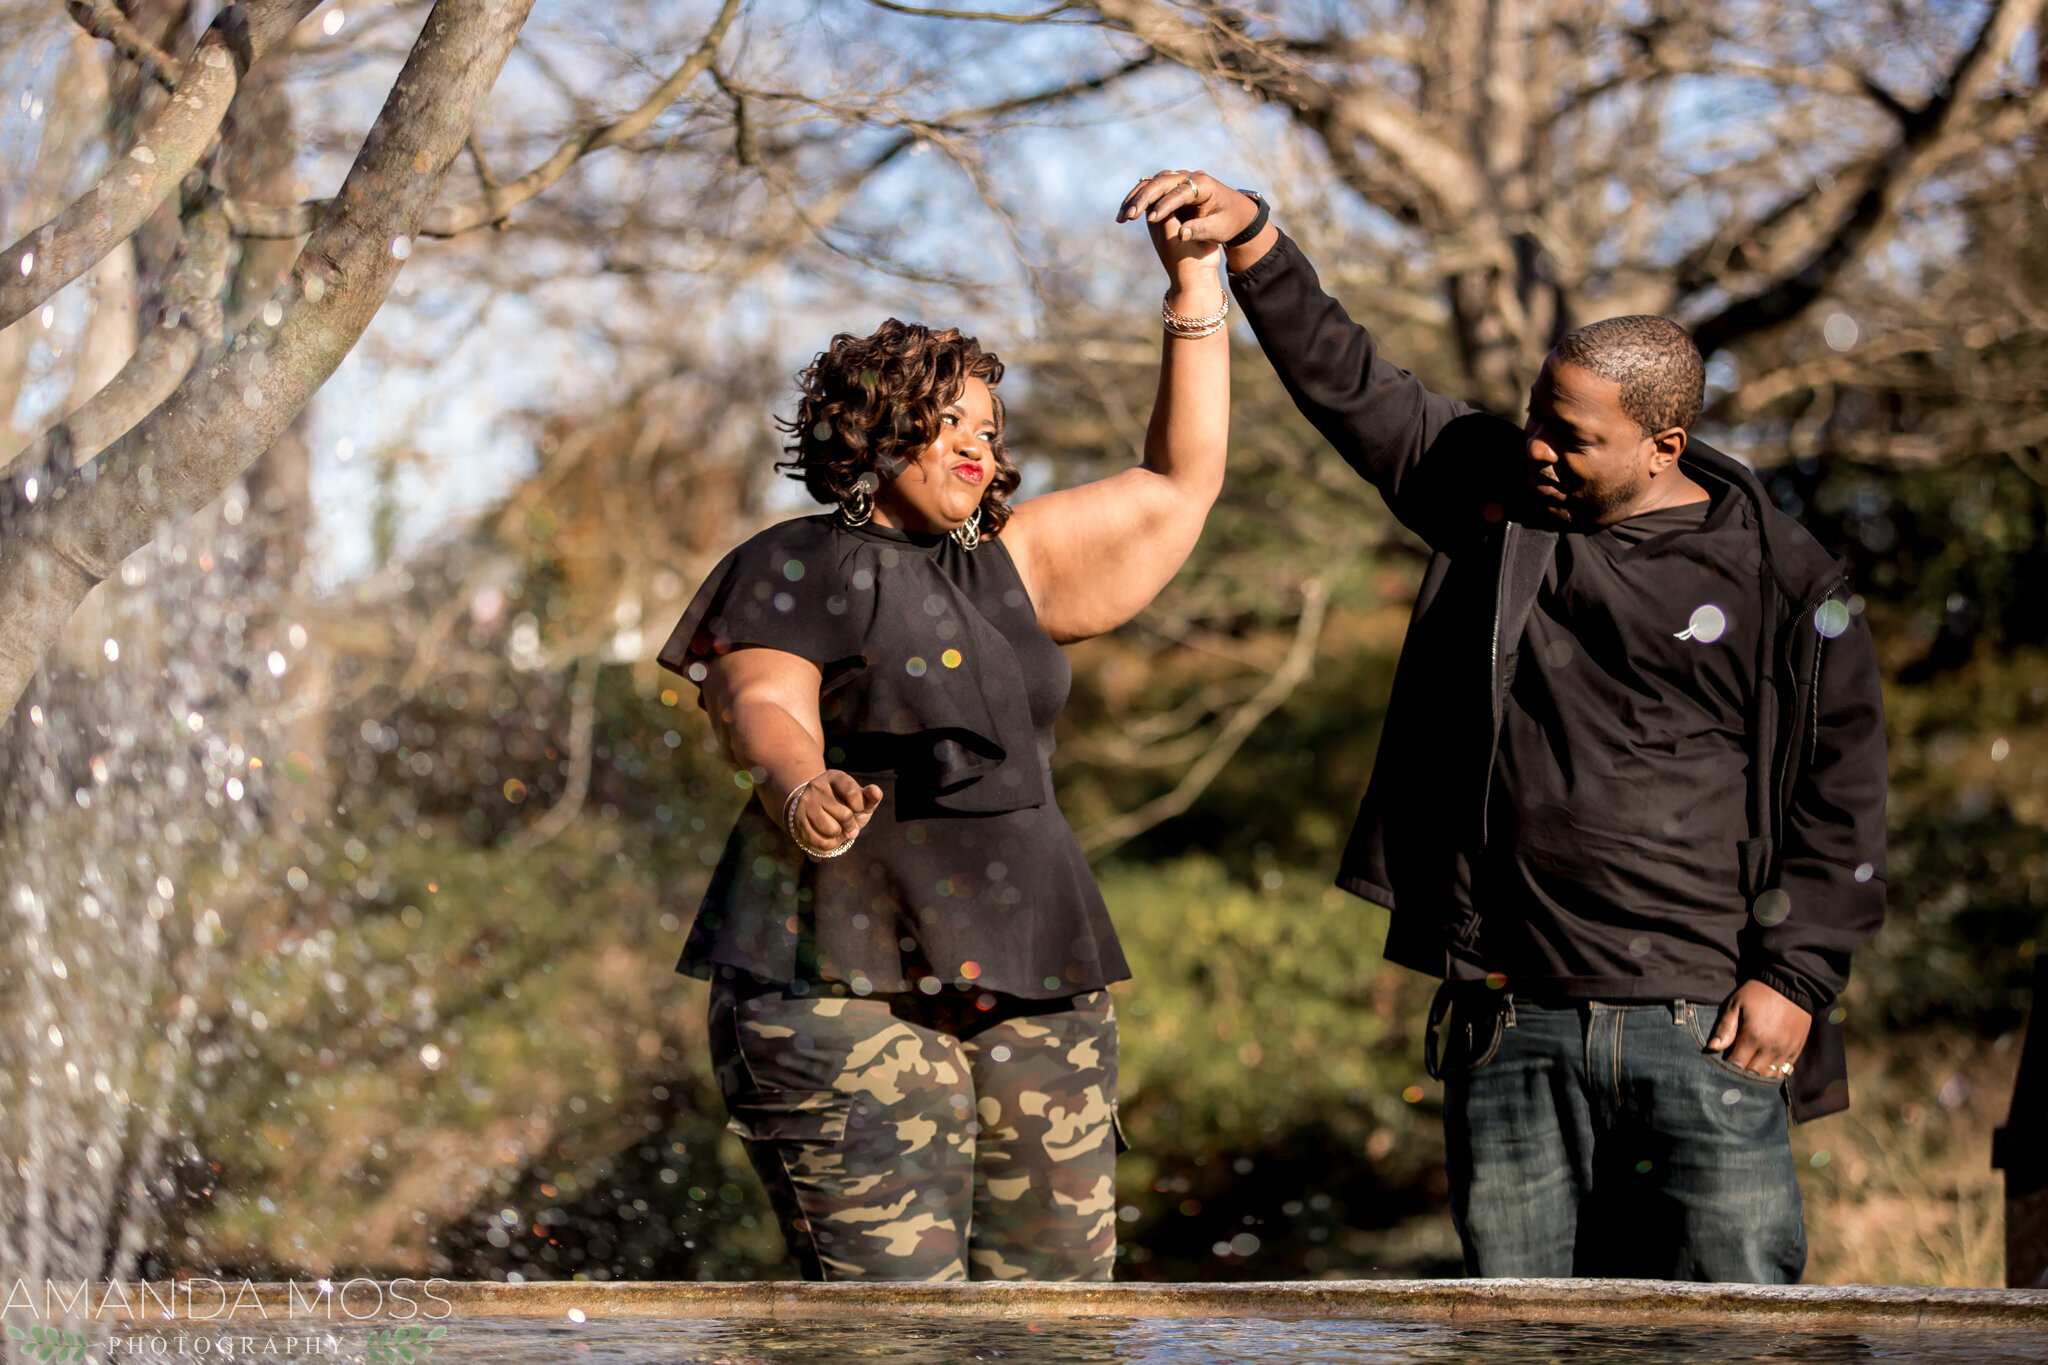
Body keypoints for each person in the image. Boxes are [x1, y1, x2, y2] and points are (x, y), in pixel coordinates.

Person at [1118, 172, 1888, 1283]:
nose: (1533, 444)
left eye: (1568, 435)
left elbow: (1843, 794)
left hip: (1705, 1020)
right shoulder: (1502, 510)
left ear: (1662, 445)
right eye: (1532, 414)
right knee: (1516, 1333)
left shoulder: (1786, 580)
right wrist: (1256, 243)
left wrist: (1797, 978)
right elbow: (1357, 390)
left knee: (1732, 1339)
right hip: (1508, 1012)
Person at [655, 178, 1234, 1281]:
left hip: (1036, 967)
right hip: (837, 975)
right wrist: (798, 785)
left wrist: (1193, 283)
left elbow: (1179, 480)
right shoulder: (794, 564)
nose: (976, 443)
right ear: (871, 428)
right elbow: (759, 699)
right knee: (895, 1329)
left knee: (1056, 1323)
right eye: (946, 420)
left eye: (988, 426)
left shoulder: (1011, 559)